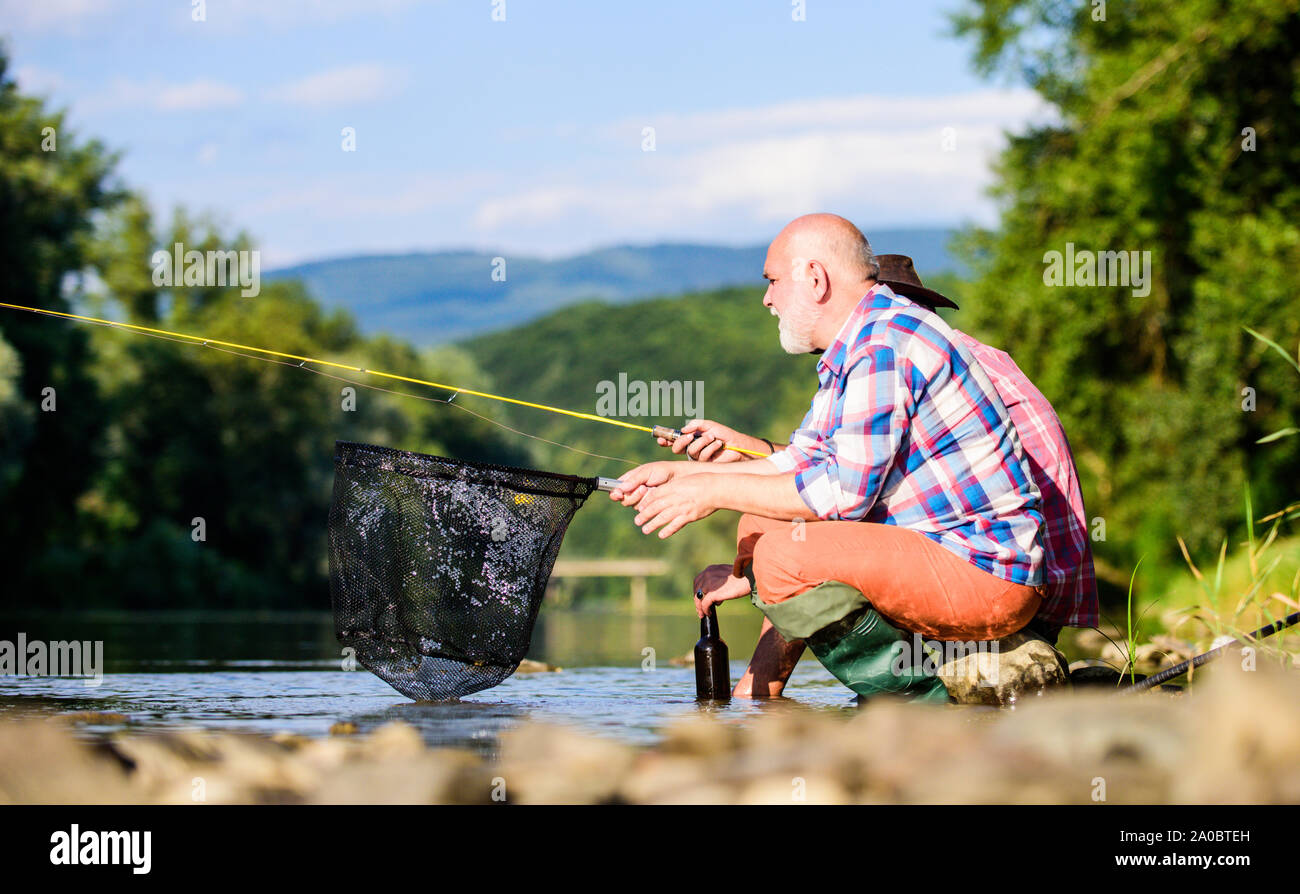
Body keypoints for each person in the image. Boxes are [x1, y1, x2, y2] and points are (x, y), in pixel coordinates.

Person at [609, 214, 1046, 703]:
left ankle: (923, 700)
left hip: (985, 571)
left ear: (815, 279)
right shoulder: (858, 344)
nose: (767, 299)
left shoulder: (882, 343)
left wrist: (711, 493)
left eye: (773, 281)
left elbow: (841, 495)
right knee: (763, 526)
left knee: (781, 556)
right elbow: (801, 461)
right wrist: (688, 473)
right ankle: (759, 696)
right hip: (942, 554)